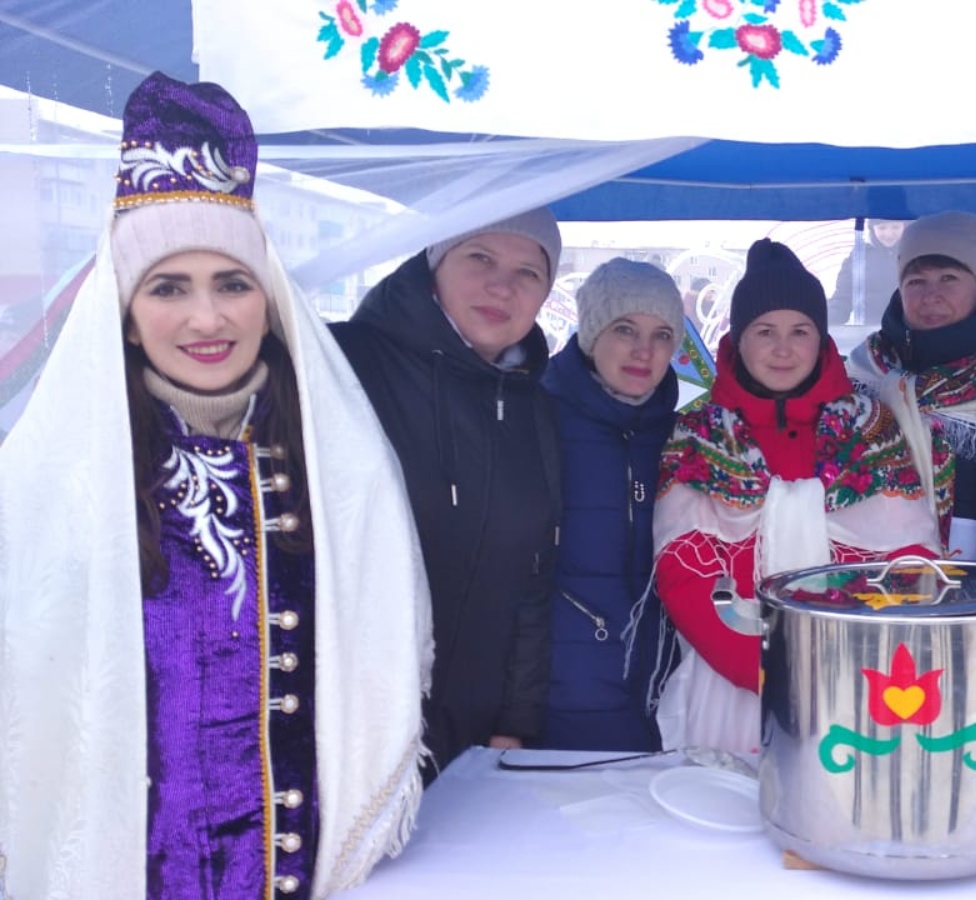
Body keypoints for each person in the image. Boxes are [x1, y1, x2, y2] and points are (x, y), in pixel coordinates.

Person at [0, 72, 431, 898]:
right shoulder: (52, 482)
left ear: (269, 301)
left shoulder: (337, 464)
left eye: (233, 283)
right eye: (168, 287)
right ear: (127, 315)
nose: (208, 318)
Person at [653, 238, 942, 752]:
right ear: (738, 340)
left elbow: (910, 561)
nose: (783, 349)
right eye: (765, 331)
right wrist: (772, 673)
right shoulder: (698, 435)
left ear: (821, 340)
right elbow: (683, 573)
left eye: (800, 331)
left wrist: (848, 666)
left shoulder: (871, 429)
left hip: (857, 681)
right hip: (729, 687)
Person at [331, 208, 563, 776]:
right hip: (349, 734)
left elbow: (534, 575)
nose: (502, 287)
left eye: (528, 273)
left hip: (473, 740)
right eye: (480, 257)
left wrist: (514, 721)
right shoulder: (346, 362)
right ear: (434, 264)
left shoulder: (533, 406)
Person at [539, 258, 683, 751]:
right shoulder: (535, 420)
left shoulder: (682, 436)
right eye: (625, 329)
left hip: (660, 703)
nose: (645, 351)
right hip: (558, 702)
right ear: (591, 331)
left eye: (662, 335)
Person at [847, 210, 976, 565]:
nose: (931, 296)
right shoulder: (867, 369)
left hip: (967, 577)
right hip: (871, 572)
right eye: (916, 281)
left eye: (949, 278)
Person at [826, 218, 906, 327]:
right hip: (869, 330)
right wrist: (824, 321)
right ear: (872, 228)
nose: (889, 234)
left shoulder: (912, 252)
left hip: (905, 330)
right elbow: (843, 298)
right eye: (882, 228)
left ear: (904, 226)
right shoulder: (859, 256)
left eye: (895, 227)